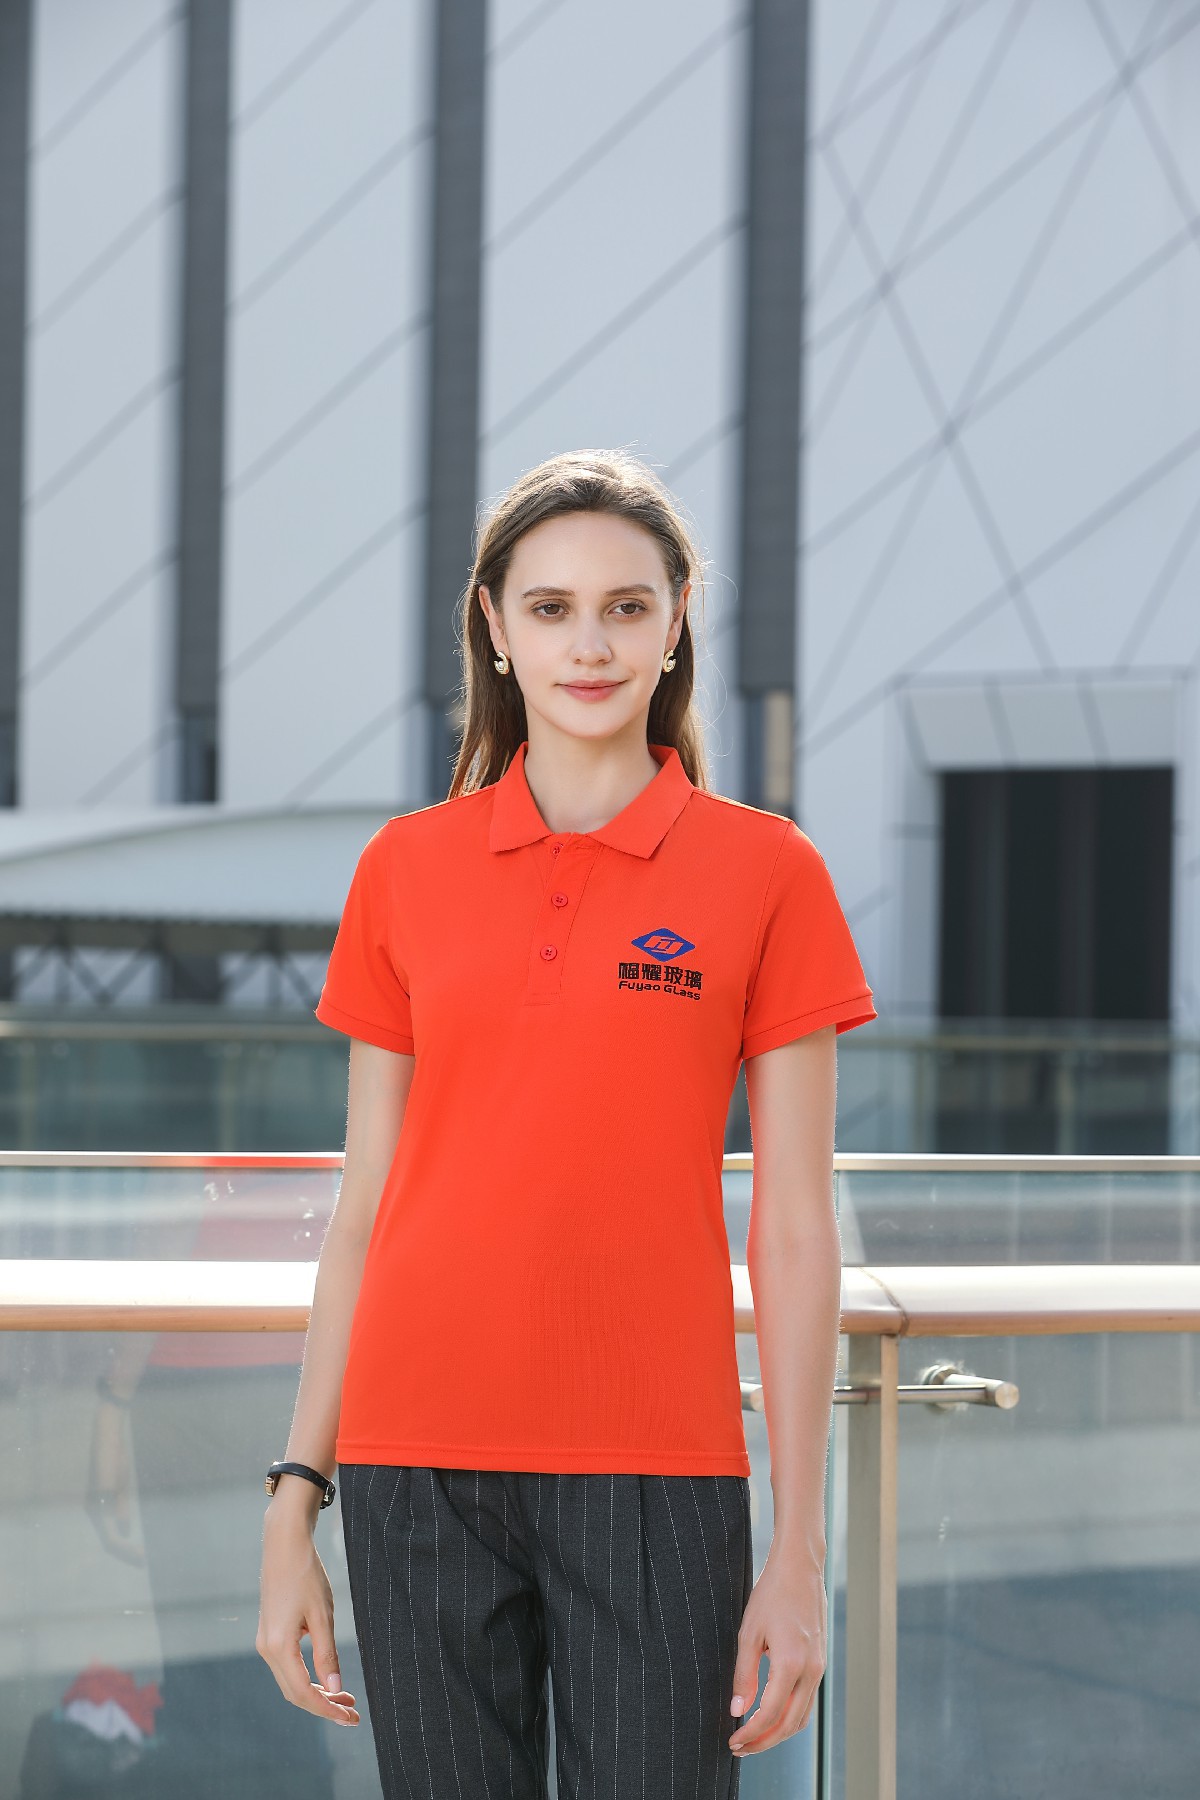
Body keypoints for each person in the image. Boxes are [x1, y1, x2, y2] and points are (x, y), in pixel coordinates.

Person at [256, 448, 877, 1798]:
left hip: (659, 1474)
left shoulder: (770, 873)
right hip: (414, 1466)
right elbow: (368, 1207)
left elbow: (793, 1226)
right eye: (549, 609)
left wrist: (799, 1549)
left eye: (625, 607)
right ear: (494, 625)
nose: (588, 645)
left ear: (676, 623)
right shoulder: (403, 869)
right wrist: (296, 1498)